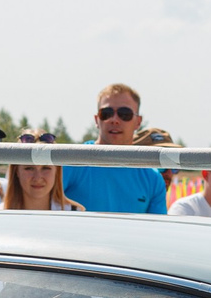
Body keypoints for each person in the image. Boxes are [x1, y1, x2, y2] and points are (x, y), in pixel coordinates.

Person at [58, 84, 167, 216]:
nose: (114, 120)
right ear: (97, 120)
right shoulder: (71, 164)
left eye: (124, 114)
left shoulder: (152, 178)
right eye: (106, 113)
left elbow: (156, 232)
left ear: (138, 122)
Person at [2, 137, 83, 212]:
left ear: (56, 171)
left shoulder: (75, 214)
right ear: (17, 171)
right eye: (29, 168)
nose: (38, 178)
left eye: (45, 168)